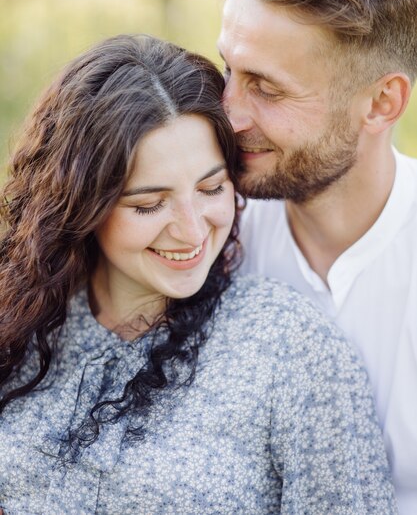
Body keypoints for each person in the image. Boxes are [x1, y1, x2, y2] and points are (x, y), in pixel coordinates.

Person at [0, 35, 396, 514]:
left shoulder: (290, 348)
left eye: (211, 189)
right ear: (81, 205)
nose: (191, 231)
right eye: (149, 204)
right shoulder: (25, 318)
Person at [217, 0, 417, 514]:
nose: (228, 116)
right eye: (228, 69)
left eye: (267, 88)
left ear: (382, 102)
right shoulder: (201, 240)